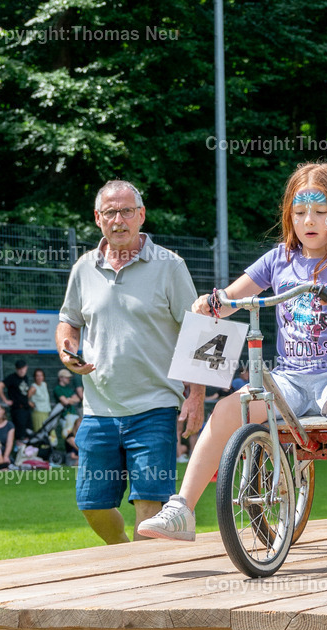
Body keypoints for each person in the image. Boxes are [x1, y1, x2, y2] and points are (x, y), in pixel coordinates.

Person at [139, 162, 327, 549]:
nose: (310, 220)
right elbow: (235, 297)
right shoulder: (279, 259)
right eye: (300, 212)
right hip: (290, 376)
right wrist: (213, 304)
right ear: (289, 214)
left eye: (320, 212)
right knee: (227, 411)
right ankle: (182, 508)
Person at [57, 179, 205, 545]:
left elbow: (200, 332)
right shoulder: (83, 267)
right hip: (97, 409)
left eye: (126, 211)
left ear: (141, 215)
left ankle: (143, 589)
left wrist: (196, 396)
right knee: (91, 504)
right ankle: (125, 556)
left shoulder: (170, 266)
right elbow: (69, 321)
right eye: (110, 212)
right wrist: (66, 348)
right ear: (97, 218)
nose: (118, 220)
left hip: (154, 405)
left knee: (149, 510)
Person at [52, 369, 83, 463]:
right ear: (61, 378)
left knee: (77, 435)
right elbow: (65, 402)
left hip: (74, 416)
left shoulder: (68, 389)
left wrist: (69, 400)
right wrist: (70, 400)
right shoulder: (57, 389)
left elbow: (78, 399)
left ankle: (81, 453)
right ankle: (82, 453)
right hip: (66, 416)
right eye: (67, 377)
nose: (69, 379)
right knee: (68, 435)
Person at [0, 360, 31, 434]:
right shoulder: (12, 378)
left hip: (26, 408)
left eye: (23, 368)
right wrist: (5, 400)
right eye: (19, 369)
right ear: (16, 369)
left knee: (28, 432)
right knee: (20, 433)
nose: (21, 371)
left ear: (26, 368)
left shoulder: (26, 378)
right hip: (17, 409)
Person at [28, 368, 51, 436]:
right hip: (38, 413)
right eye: (37, 376)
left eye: (41, 375)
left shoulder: (44, 384)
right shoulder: (33, 388)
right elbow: (25, 399)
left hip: (46, 412)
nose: (39, 377)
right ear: (35, 377)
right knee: (40, 433)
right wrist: (30, 403)